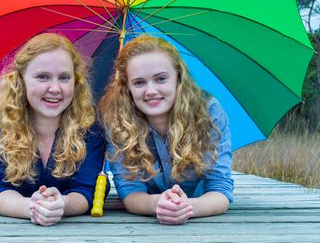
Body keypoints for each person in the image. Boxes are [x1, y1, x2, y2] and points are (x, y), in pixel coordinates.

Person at [99, 35, 233, 225]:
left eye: (161, 79)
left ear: (178, 77)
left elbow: (220, 190)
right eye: (139, 82)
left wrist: (187, 207)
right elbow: (131, 193)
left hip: (201, 214)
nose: (151, 91)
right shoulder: (117, 120)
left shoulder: (208, 112)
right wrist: (158, 204)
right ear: (126, 86)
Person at [0, 33, 106, 226]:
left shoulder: (89, 123)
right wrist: (30, 207)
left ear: (76, 81)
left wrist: (63, 204)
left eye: (64, 78)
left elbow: (85, 190)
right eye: (42, 77)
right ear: (21, 79)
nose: (55, 88)